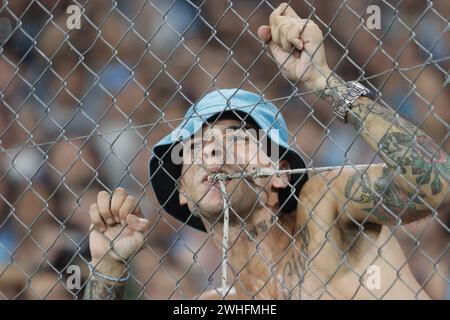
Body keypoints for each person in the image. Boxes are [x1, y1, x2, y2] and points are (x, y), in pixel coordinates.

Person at [83, 3, 449, 299]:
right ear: (182, 191)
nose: (213, 152)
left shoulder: (324, 206)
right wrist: (109, 266)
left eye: (238, 139)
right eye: (195, 146)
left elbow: (437, 181)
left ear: (279, 173)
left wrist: (322, 81)